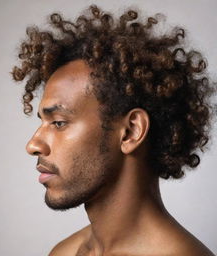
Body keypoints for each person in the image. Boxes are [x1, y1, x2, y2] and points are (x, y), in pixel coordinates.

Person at [11, 4, 216, 256]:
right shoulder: (64, 253)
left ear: (131, 132)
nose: (33, 145)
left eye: (59, 123)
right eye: (42, 122)